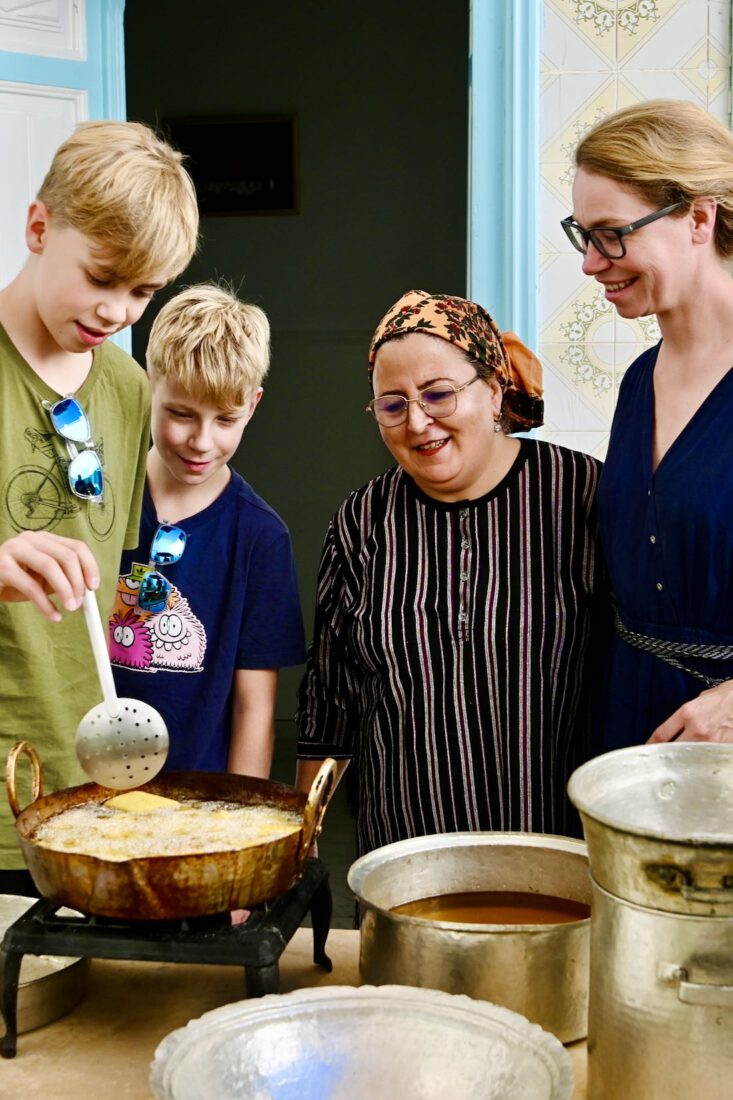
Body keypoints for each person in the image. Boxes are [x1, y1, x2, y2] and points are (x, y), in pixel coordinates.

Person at [295, 290, 608, 858]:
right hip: (407, 853)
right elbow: (329, 698)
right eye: (392, 405)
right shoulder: (363, 521)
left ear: (493, 390)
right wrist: (303, 840)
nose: (417, 422)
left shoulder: (584, 497)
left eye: (437, 394)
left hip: (564, 853)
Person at [0, 120, 199, 893]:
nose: (118, 310)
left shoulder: (125, 390)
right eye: (103, 277)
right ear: (39, 227)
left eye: (143, 292)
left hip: (84, 788)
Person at [565, 99, 733, 748]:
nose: (589, 261)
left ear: (696, 217)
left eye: (611, 233)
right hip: (631, 726)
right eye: (582, 235)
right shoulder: (638, 382)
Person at [110, 284, 306, 779]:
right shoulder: (103, 502)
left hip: (200, 804)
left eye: (226, 419)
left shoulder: (261, 538)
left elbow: (254, 710)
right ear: (147, 384)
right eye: (180, 414)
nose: (201, 442)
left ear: (253, 405)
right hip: (85, 790)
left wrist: (239, 828)